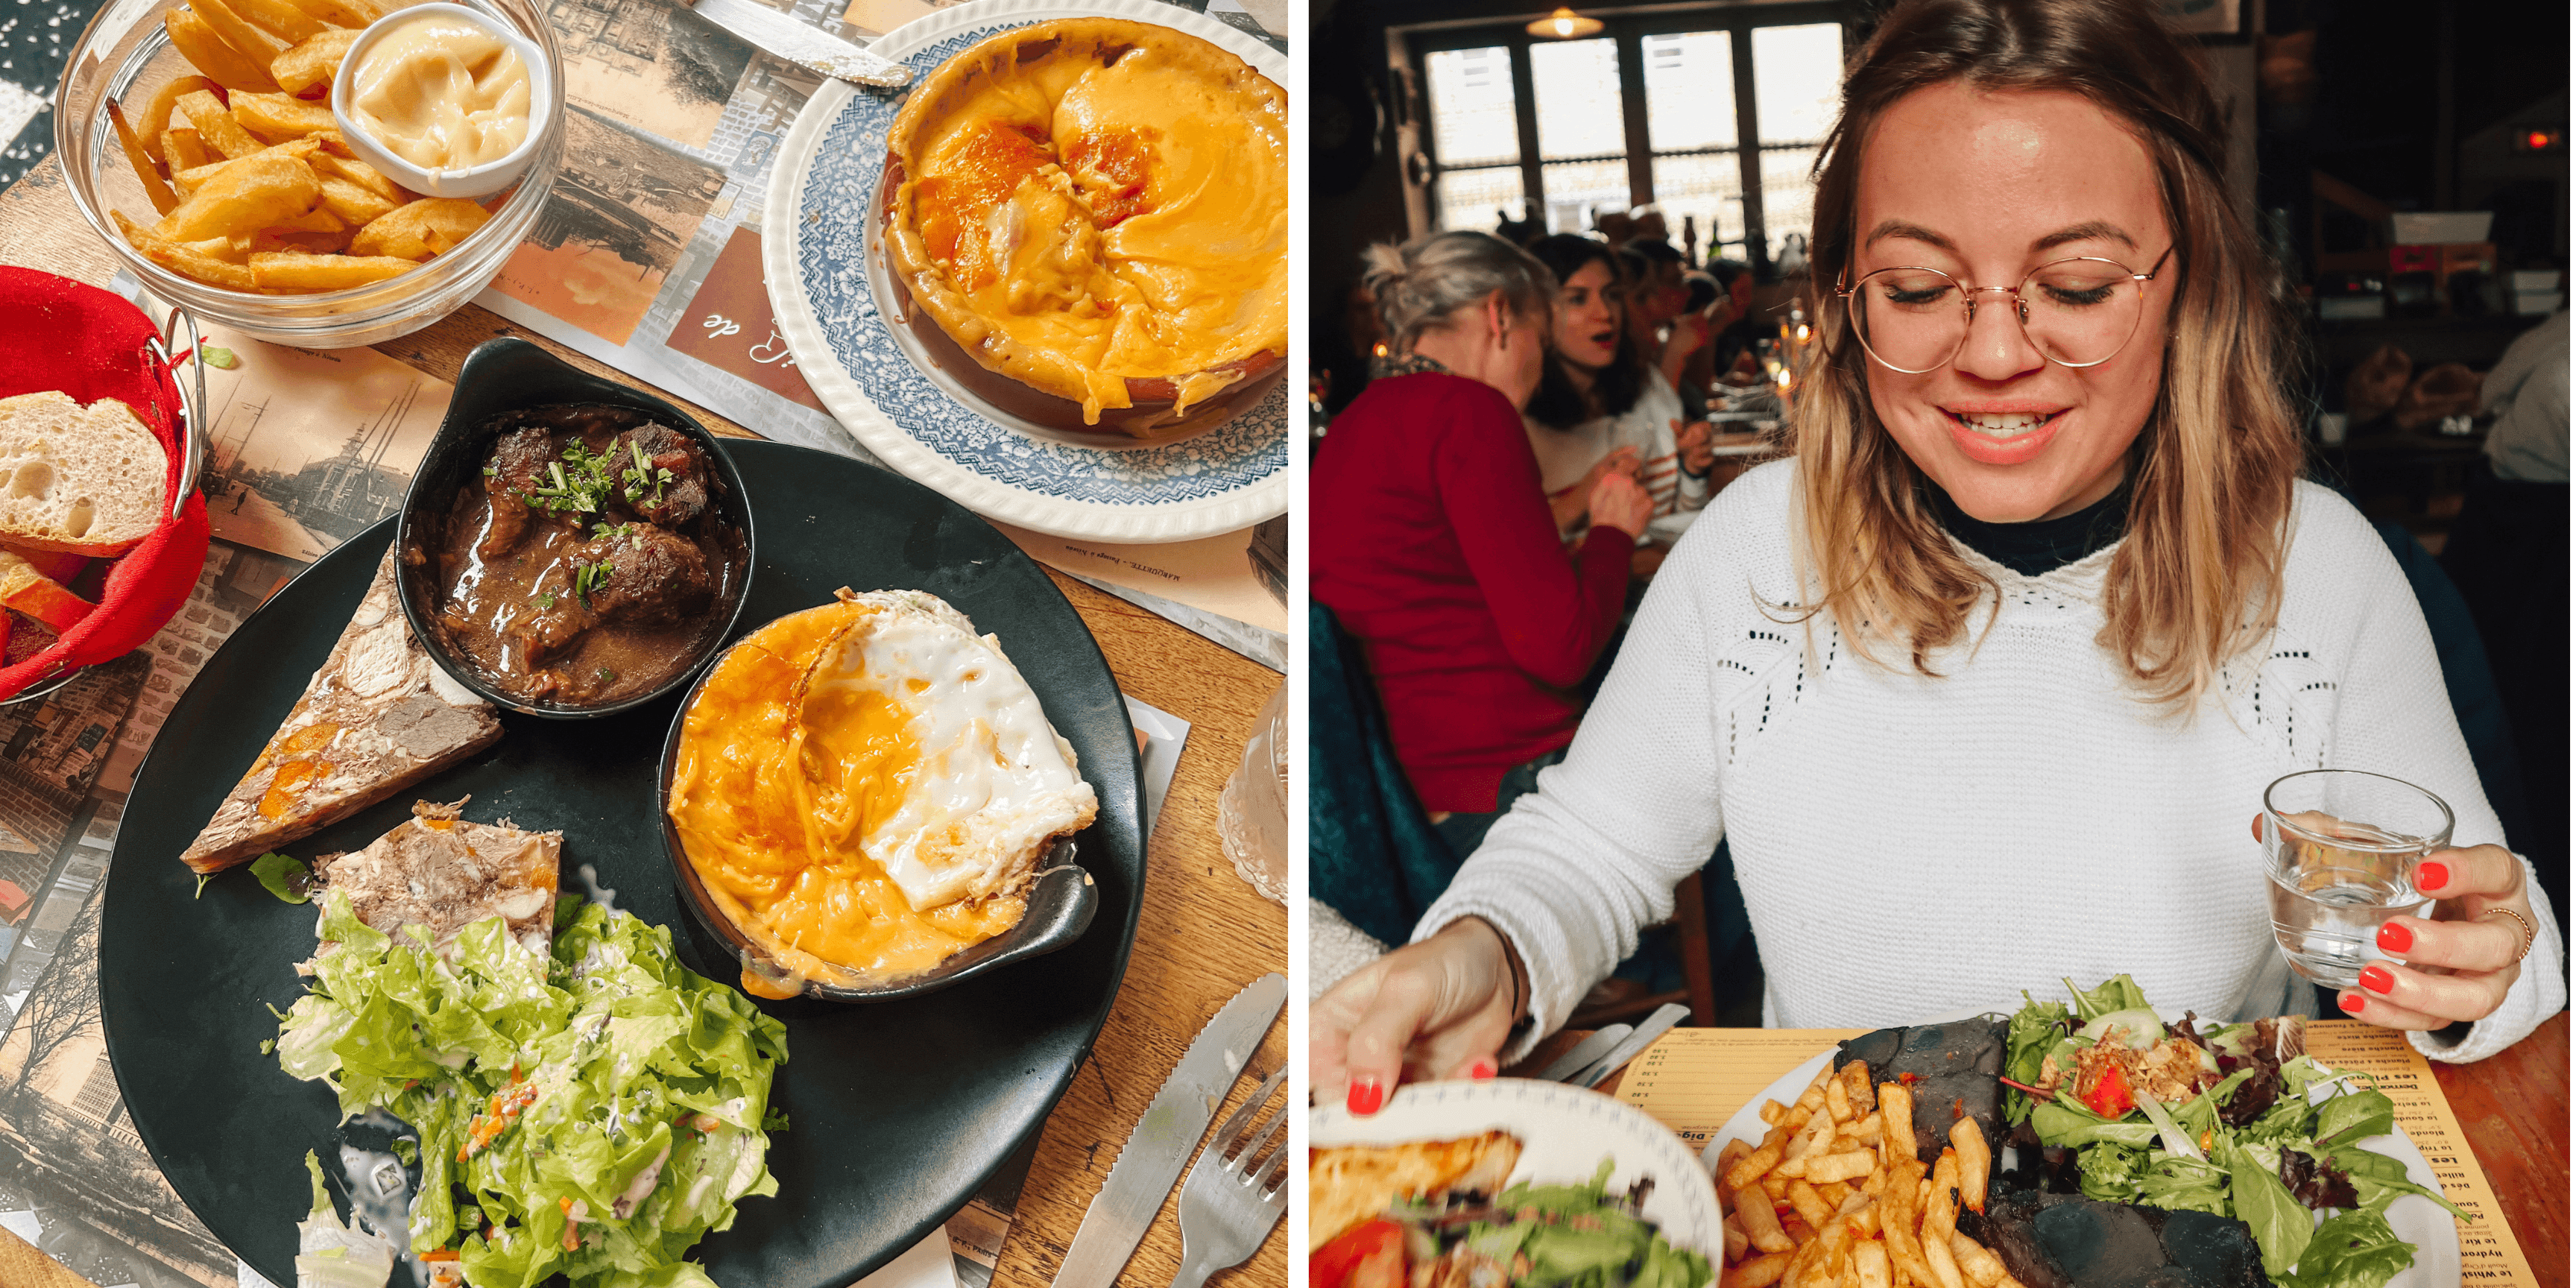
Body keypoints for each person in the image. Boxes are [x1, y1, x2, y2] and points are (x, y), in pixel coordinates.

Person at [1313, 0, 2563, 1111]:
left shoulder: (2318, 570)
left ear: (2190, 292)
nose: (1993, 353)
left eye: (2074, 283)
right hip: (1845, 1222)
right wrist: (1484, 946)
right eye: (1916, 287)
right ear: (1848, 300)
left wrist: (2471, 968)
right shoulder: (1758, 548)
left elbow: (2491, 948)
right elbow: (1592, 846)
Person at [1312, 230, 1655, 867]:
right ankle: (1664, 965)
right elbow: (1562, 650)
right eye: (1539, 341)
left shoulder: (1356, 420)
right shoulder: (1468, 410)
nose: (1537, 365)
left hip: (1404, 788)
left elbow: (1447, 568)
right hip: (1500, 784)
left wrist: (1578, 504)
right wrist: (1613, 532)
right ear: (1500, 315)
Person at [1522, 234, 1717, 560]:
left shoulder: (1648, 387)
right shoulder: (1519, 422)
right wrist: (1584, 496)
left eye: (1612, 296)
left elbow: (1682, 520)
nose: (1605, 313)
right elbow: (1517, 559)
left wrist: (1693, 472)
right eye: (1577, 299)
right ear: (1536, 312)